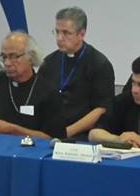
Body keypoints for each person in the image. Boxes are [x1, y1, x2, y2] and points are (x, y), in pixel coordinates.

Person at [36, 7, 114, 139]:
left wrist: (66, 132)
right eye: (57, 32)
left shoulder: (99, 64)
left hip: (80, 135)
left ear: (81, 34)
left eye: (66, 33)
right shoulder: (49, 62)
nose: (59, 38)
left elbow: (101, 109)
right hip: (48, 132)